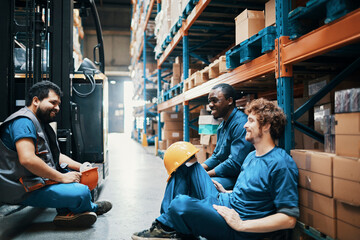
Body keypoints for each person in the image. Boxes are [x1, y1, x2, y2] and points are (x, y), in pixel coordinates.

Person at [132, 98, 299, 240]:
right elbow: (251, 192)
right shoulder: (251, 156)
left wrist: (241, 225)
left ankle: (172, 225)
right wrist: (227, 192)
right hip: (224, 201)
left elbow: (288, 218)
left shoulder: (281, 163)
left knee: (181, 204)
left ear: (267, 126)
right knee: (186, 164)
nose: (245, 126)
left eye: (251, 121)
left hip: (235, 224)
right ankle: (166, 227)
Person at [0, 81, 112, 227]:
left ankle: (68, 212)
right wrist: (61, 177)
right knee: (81, 192)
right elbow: (27, 159)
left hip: (35, 180)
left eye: (58, 104)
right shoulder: (23, 122)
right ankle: (91, 208)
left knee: (82, 178)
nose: (57, 108)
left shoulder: (41, 123)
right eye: (53, 102)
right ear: (36, 101)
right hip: (21, 187)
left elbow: (55, 156)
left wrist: (81, 167)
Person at [202, 83, 253, 189]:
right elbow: (217, 156)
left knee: (201, 184)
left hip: (239, 177)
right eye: (209, 101)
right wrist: (199, 168)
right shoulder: (222, 126)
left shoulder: (241, 124)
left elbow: (235, 163)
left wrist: (206, 174)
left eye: (215, 100)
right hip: (227, 174)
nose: (210, 105)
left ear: (229, 101)